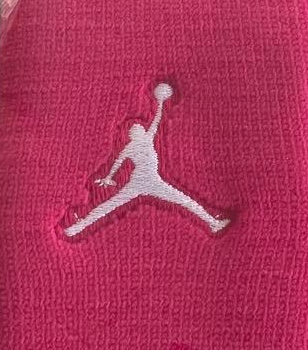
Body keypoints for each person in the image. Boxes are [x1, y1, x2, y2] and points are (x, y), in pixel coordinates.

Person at [65, 83, 229, 237]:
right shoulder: (142, 141)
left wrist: (160, 104)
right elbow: (119, 161)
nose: (140, 128)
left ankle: (78, 227)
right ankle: (213, 222)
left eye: (140, 128)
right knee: (184, 201)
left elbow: (119, 162)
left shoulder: (138, 143)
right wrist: (160, 103)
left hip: (145, 181)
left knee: (110, 205)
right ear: (134, 134)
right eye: (137, 129)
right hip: (145, 181)